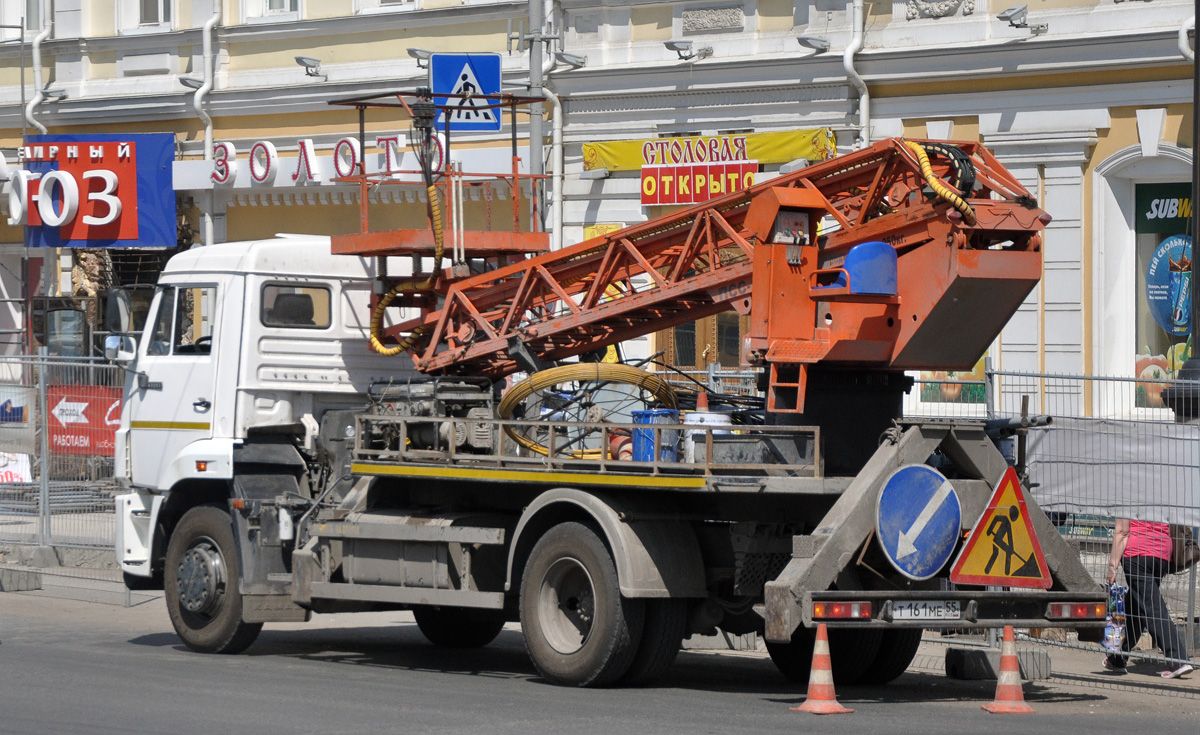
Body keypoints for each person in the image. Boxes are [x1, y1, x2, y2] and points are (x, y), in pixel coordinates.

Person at [1105, 517, 1193, 678]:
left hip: (1137, 554)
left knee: (1151, 607)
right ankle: (1117, 658)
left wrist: (1112, 567)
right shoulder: (1161, 491)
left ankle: (1178, 659)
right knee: (1137, 605)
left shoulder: (1128, 493)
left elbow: (1122, 532)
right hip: (1162, 555)